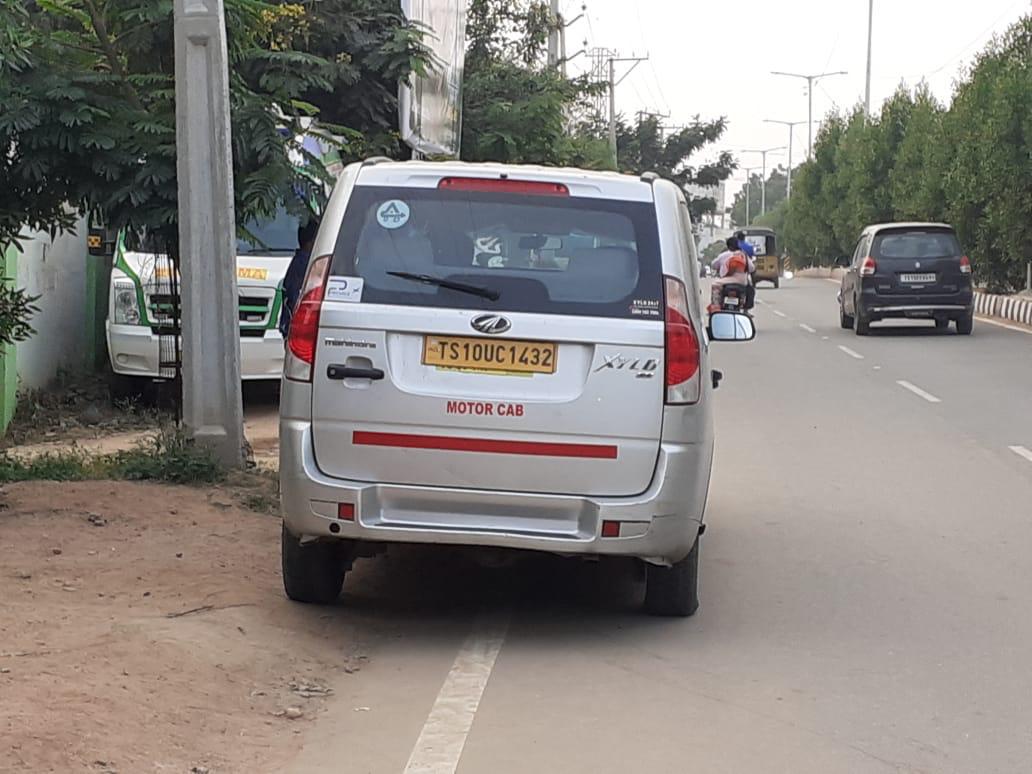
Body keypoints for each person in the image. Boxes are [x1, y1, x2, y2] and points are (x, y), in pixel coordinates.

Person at [279, 218, 320, 341]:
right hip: (296, 330)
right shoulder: (305, 265)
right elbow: (296, 299)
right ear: (312, 242)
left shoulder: (299, 262)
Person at [709, 237, 755, 313]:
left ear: (728, 246)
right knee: (749, 289)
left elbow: (713, 265)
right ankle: (745, 310)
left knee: (715, 284)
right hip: (743, 282)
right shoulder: (744, 255)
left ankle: (715, 307)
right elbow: (752, 268)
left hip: (728, 280)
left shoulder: (723, 255)